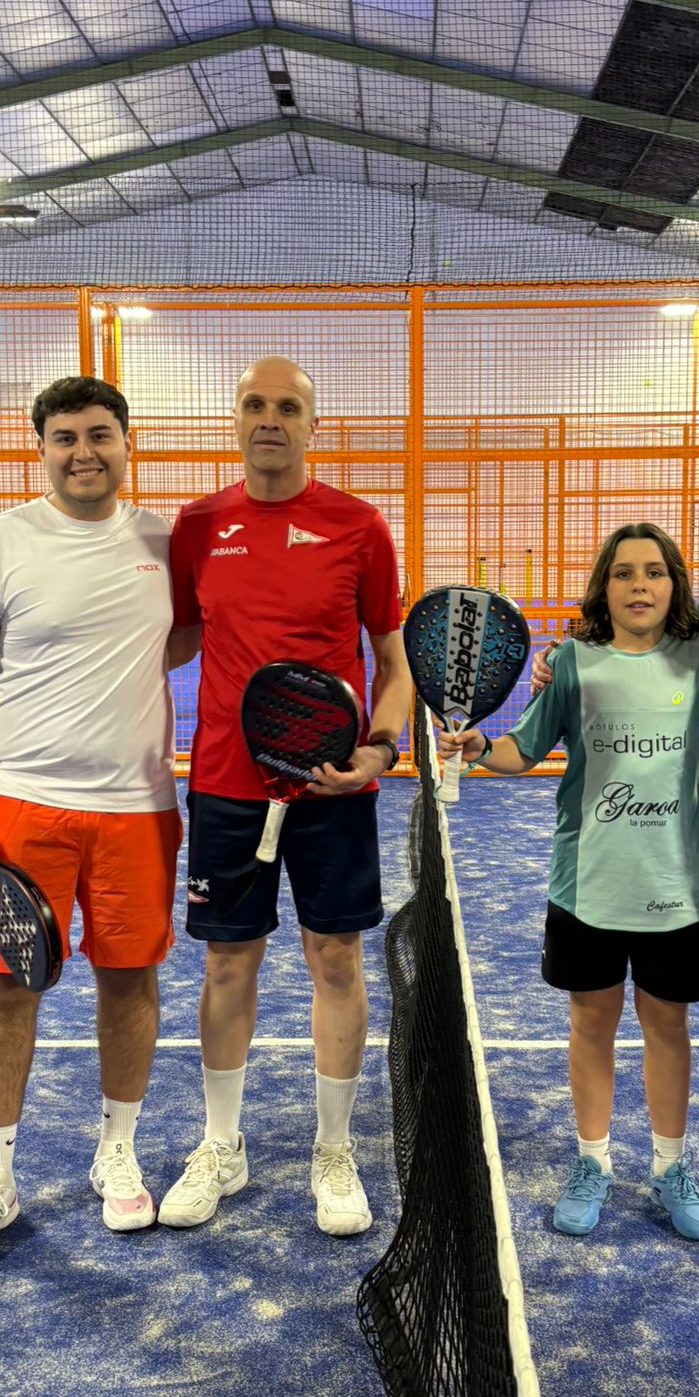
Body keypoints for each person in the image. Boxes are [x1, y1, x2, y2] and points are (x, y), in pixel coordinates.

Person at [158, 356, 413, 1238]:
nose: (270, 418)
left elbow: (392, 661)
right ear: (235, 420)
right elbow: (173, 639)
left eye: (288, 407)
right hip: (226, 782)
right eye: (255, 404)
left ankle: (333, 1151)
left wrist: (380, 747)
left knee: (335, 959)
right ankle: (221, 1145)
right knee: (228, 963)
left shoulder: (358, 526)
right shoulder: (198, 526)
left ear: (313, 424)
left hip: (330, 787)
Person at [0, 376, 182, 1268]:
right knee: (6, 988)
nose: (85, 452)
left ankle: (118, 1151)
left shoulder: (166, 543)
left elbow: (186, 637)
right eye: (66, 437)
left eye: (100, 434)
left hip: (140, 807)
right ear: (40, 448)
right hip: (21, 807)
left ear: (127, 443)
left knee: (130, 980)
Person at [440, 524, 699, 1242]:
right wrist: (478, 745)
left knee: (668, 1027)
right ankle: (592, 1161)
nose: (639, 586)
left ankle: (670, 1167)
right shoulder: (573, 662)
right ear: (604, 587)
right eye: (623, 573)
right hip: (588, 884)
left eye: (654, 572)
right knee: (591, 1025)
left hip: (675, 886)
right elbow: (524, 750)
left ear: (674, 585)